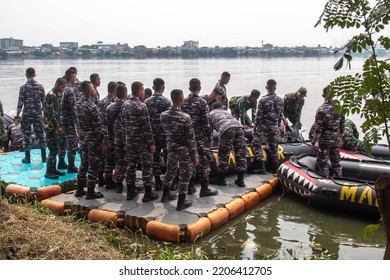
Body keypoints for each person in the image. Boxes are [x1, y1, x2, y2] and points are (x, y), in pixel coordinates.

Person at [160, 89, 199, 210]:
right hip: (183, 149)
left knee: (170, 170)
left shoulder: (163, 115)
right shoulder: (185, 117)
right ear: (181, 99)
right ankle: (181, 201)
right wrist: (195, 155)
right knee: (185, 174)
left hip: (170, 146)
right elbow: (190, 138)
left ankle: (165, 194)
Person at [122, 81, 158, 202]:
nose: (144, 93)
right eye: (143, 91)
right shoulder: (141, 106)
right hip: (142, 142)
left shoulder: (125, 105)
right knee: (147, 166)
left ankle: (130, 191)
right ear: (139, 91)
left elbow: (123, 125)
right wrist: (151, 144)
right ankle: (148, 193)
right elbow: (146, 127)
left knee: (130, 167)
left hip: (130, 141)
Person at [182, 78, 218, 197]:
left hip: (187, 138)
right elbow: (206, 123)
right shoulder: (202, 103)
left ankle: (190, 187)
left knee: (189, 162)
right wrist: (209, 139)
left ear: (189, 88)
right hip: (199, 138)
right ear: (200, 88)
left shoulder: (183, 101)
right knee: (204, 162)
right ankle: (204, 188)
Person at [73, 80, 106, 199]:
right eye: (92, 88)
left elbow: (77, 123)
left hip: (82, 139)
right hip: (93, 140)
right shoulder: (92, 107)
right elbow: (98, 128)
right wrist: (102, 142)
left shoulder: (77, 105)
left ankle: (79, 189)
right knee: (93, 165)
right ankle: (91, 191)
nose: (94, 90)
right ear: (87, 90)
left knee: (84, 164)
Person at [209, 102, 248, 187]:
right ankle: (240, 180)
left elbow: (209, 131)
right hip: (239, 127)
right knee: (240, 154)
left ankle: (221, 180)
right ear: (221, 107)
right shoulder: (226, 112)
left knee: (224, 154)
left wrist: (209, 141)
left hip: (227, 129)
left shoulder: (211, 114)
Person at [310, 87, 345, 178]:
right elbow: (342, 126)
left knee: (323, 163)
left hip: (325, 141)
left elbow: (318, 130)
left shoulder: (321, 109)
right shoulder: (339, 108)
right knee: (336, 163)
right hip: (336, 139)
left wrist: (313, 143)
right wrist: (341, 139)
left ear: (323, 95)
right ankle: (339, 181)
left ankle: (324, 181)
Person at [252, 79, 284, 174]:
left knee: (256, 144)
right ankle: (276, 168)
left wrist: (254, 128)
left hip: (263, 128)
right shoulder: (280, 100)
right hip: (274, 127)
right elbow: (280, 115)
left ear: (266, 87)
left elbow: (259, 116)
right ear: (275, 87)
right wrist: (277, 126)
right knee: (274, 148)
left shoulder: (263, 100)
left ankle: (261, 168)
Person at [145, 78, 171, 191]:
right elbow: (170, 119)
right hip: (164, 134)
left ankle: (158, 182)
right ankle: (170, 182)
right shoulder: (167, 102)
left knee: (154, 158)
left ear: (153, 87)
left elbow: (145, 120)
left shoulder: (146, 102)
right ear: (163, 88)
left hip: (152, 135)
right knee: (168, 157)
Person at [16, 67, 46, 164]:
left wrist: (17, 115)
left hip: (27, 115)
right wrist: (45, 116)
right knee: (41, 135)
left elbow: (20, 104)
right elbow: (44, 103)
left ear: (26, 75)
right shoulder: (41, 87)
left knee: (26, 136)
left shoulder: (23, 88)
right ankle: (44, 157)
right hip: (38, 114)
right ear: (35, 75)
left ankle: (27, 158)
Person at [43, 78, 67, 179]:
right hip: (51, 127)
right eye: (62, 86)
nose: (63, 89)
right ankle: (49, 171)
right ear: (57, 84)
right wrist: (57, 127)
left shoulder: (57, 95)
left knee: (56, 148)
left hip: (55, 126)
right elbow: (51, 114)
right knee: (53, 149)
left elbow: (58, 112)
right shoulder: (51, 95)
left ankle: (53, 169)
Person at [106, 85, 128, 193]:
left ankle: (119, 185)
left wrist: (110, 139)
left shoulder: (110, 107)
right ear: (125, 93)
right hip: (128, 138)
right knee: (130, 162)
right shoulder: (128, 106)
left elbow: (108, 125)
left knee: (119, 161)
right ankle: (130, 185)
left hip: (116, 139)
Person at [98, 81, 118, 189]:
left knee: (103, 158)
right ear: (114, 90)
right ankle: (109, 181)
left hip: (103, 133)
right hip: (108, 134)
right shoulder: (110, 103)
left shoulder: (102, 101)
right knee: (109, 159)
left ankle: (101, 179)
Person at [60, 69, 79, 173]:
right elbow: (73, 108)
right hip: (70, 121)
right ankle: (71, 166)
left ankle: (61, 161)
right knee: (72, 144)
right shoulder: (70, 91)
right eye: (74, 76)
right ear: (72, 77)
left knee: (62, 141)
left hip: (63, 120)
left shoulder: (64, 89)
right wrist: (77, 124)